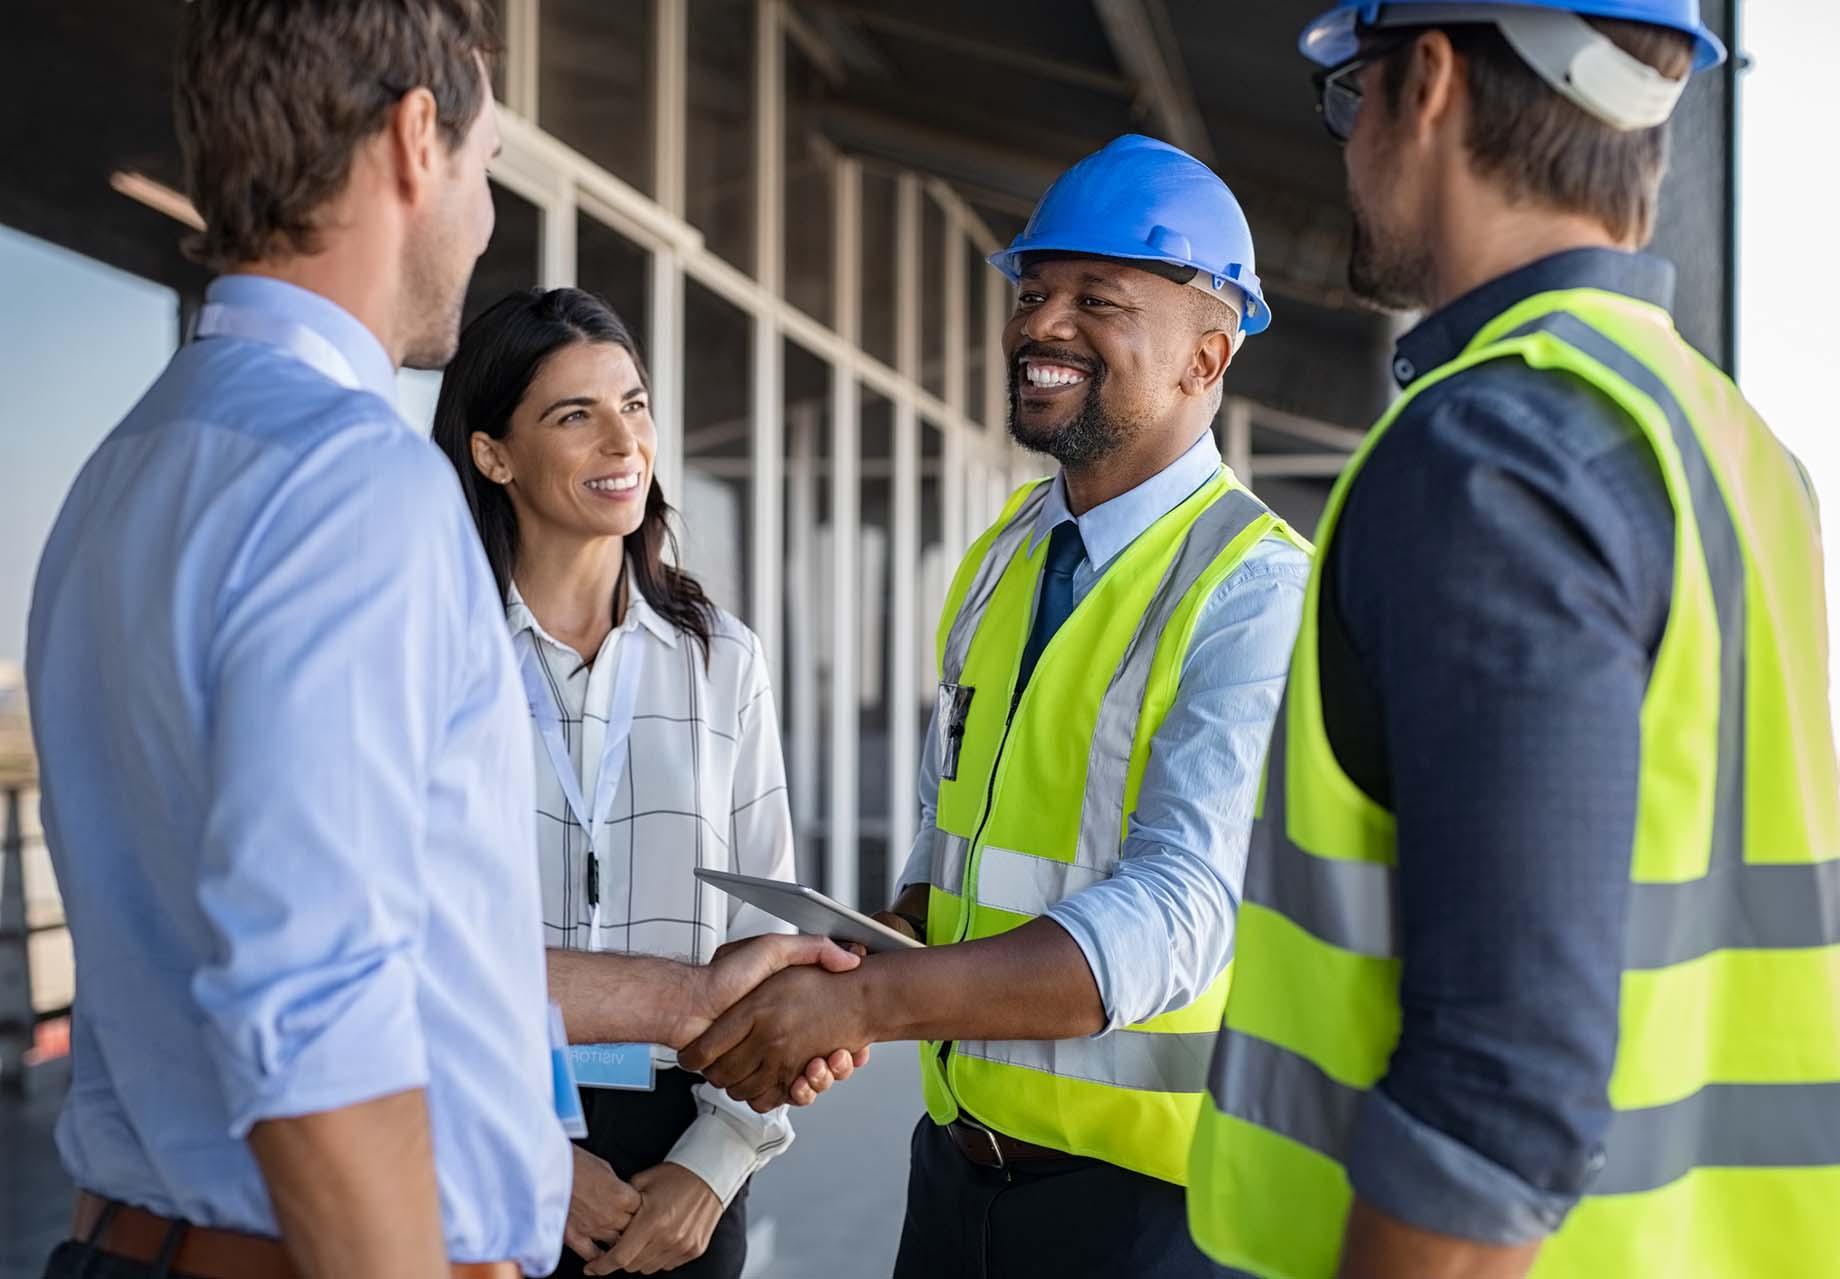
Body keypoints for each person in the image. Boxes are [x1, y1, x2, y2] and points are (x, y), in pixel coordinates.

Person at [24, 6, 853, 1279]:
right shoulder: (350, 484)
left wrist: (689, 1007)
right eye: (487, 163)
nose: (481, 211)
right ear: (420, 139)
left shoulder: (126, 469)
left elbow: (403, 947)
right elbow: (318, 1012)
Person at [1187, 3, 1840, 1278]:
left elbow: (1497, 1103)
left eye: (1354, 99)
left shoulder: (1492, 453)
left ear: (1430, 80)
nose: (1347, 152)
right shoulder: (1735, 446)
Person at [678, 134, 1314, 1278]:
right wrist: (866, 953)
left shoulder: (1256, 592)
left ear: (1206, 355)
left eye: (1097, 300)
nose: (1041, 325)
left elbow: (1176, 917)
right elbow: (954, 838)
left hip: (1155, 1221)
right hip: (957, 1180)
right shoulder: (1008, 554)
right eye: (1034, 291)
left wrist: (872, 1005)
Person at [431, 288, 819, 1279]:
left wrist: (716, 1161)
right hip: (476, 1132)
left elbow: (764, 935)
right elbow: (411, 940)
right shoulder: (435, 655)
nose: (623, 440)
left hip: (681, 1143)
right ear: (492, 454)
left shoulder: (720, 656)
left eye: (634, 404)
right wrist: (531, 1155)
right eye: (576, 415)